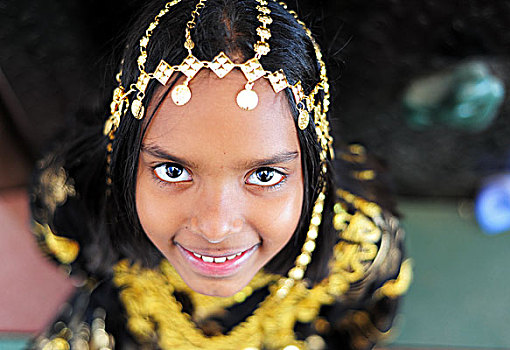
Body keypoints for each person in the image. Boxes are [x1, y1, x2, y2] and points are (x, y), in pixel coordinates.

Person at [29, 0, 411, 349]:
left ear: (313, 168)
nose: (215, 228)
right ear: (126, 156)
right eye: (173, 170)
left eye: (264, 176)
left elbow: (362, 330)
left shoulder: (360, 243)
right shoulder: (76, 192)